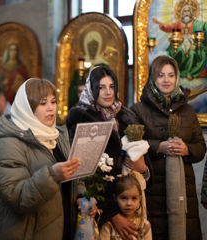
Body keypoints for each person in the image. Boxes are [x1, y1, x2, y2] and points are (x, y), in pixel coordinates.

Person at [0, 78, 81, 240]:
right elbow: (16, 197)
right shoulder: (7, 143)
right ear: (26, 108)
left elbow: (71, 179)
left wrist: (80, 198)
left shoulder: (57, 135)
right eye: (43, 103)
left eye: (53, 101)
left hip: (61, 229)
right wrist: (52, 175)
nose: (51, 108)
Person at [66, 65, 151, 240]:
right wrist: (113, 214)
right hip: (101, 209)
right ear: (92, 89)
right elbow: (82, 175)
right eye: (101, 87)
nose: (107, 92)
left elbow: (144, 160)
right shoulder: (81, 118)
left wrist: (144, 169)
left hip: (131, 204)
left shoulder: (127, 117)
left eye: (111, 87)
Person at [130, 55, 206, 240]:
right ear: (153, 78)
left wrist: (187, 149)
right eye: (161, 75)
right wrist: (159, 147)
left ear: (176, 78)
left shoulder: (187, 111)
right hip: (152, 188)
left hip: (184, 191)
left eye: (171, 75)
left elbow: (200, 148)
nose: (166, 80)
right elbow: (131, 148)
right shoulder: (139, 110)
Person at [152, 4, 207, 79]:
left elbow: (203, 27)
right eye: (184, 11)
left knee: (192, 53)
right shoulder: (179, 23)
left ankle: (191, 73)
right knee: (179, 51)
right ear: (182, 13)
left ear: (191, 13)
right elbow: (169, 27)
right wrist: (159, 23)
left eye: (188, 11)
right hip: (180, 44)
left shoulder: (196, 23)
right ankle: (181, 72)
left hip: (193, 45)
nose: (186, 13)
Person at [99, 174, 152, 240]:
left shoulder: (144, 225)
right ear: (115, 198)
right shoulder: (108, 225)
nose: (129, 203)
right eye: (123, 198)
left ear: (140, 198)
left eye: (134, 198)